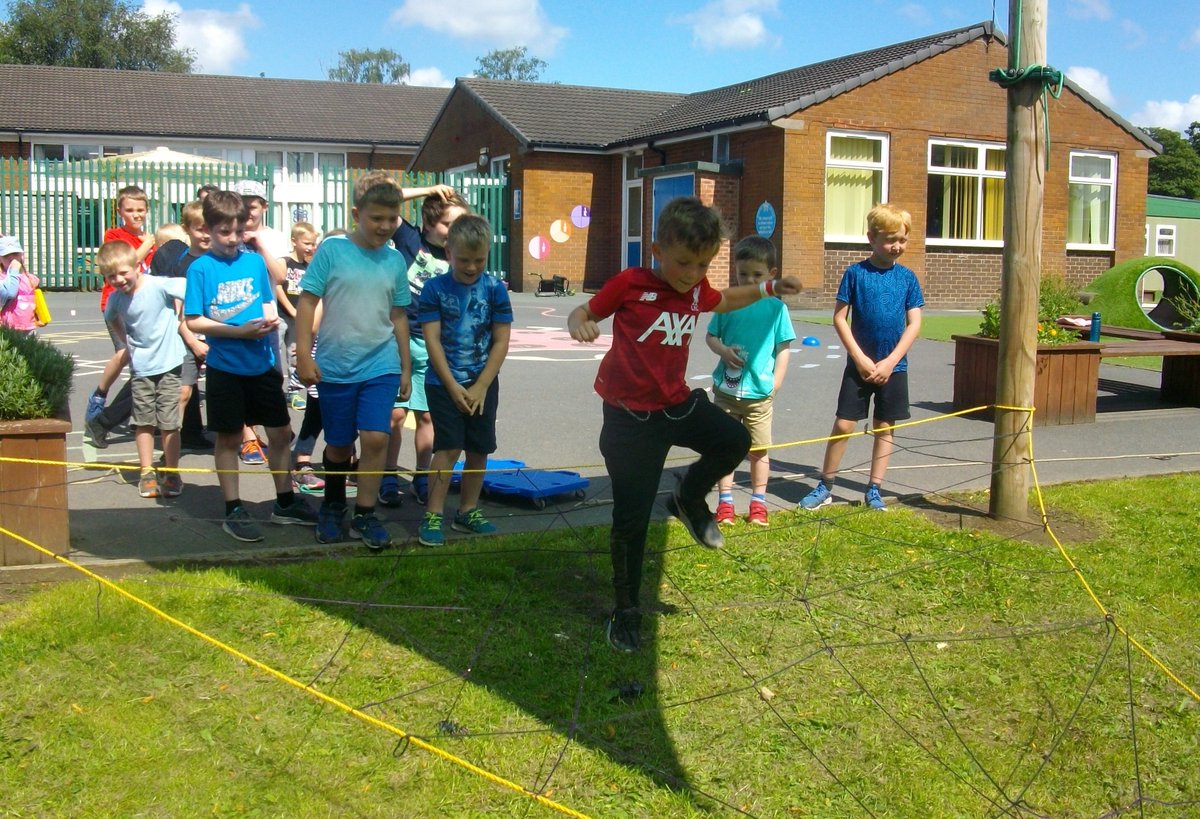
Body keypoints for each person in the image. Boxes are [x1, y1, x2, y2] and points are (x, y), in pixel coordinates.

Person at [567, 196, 801, 653]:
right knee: (631, 521)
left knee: (734, 438)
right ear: (656, 249)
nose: (691, 274)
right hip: (629, 419)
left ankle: (688, 498)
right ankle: (626, 610)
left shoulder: (696, 289)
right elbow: (586, 311)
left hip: (675, 404)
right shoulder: (630, 284)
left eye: (701, 264)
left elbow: (727, 297)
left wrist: (769, 289)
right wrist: (580, 324)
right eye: (682, 263)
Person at [183, 190, 318, 542]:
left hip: (262, 363)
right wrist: (235, 332)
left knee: (279, 432)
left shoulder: (254, 261)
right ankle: (233, 508)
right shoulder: (200, 268)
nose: (232, 239)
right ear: (208, 230)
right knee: (228, 437)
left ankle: (285, 502)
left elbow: (267, 300)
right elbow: (194, 320)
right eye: (223, 232)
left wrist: (269, 322)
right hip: (225, 367)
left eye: (238, 231)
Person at [294, 172, 413, 550]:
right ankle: (332, 506)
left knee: (377, 437)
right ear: (356, 214)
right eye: (376, 218)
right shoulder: (332, 250)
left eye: (392, 219)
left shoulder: (395, 261)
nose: (384, 226)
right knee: (340, 445)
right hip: (336, 365)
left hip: (381, 363)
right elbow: (307, 302)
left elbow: (398, 315)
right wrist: (301, 354)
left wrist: (406, 365)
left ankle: (365, 512)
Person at [798, 203, 924, 513]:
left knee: (885, 427)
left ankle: (874, 489)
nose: (897, 246)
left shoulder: (907, 278)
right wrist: (860, 358)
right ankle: (826, 485)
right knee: (844, 424)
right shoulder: (855, 274)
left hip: (894, 368)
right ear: (871, 237)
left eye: (903, 240)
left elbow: (915, 323)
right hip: (859, 367)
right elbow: (840, 318)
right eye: (889, 239)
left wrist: (891, 361)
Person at [415, 214, 512, 547]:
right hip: (444, 384)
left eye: (480, 260)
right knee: (448, 446)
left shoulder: (496, 289)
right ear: (448, 252)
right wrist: (453, 385)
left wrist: (482, 384)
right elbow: (432, 341)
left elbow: (501, 340)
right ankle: (434, 513)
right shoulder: (434, 289)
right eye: (464, 260)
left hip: (483, 383)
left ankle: (468, 510)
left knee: (479, 448)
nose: (472, 267)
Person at [381, 184, 468, 507]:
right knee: (393, 415)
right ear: (430, 223)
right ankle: (387, 476)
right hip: (398, 340)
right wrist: (430, 190)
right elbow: (384, 196)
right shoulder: (410, 240)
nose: (453, 232)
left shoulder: (457, 256)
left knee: (428, 417)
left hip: (433, 346)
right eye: (447, 224)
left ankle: (421, 476)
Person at [706, 235, 795, 527]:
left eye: (756, 275)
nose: (748, 280)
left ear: (771, 275)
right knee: (725, 450)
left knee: (759, 450)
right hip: (725, 393)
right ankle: (725, 503)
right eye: (743, 274)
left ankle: (758, 503)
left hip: (760, 396)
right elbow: (711, 336)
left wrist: (776, 383)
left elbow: (783, 348)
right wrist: (723, 350)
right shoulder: (727, 302)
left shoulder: (776, 309)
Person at [97, 240, 187, 499]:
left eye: (123, 272)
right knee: (143, 422)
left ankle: (171, 471)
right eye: (111, 276)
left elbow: (190, 288)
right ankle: (147, 471)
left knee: (169, 423)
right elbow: (111, 317)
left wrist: (183, 320)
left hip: (169, 364)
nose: (119, 279)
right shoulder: (116, 299)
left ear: (138, 266)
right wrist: (125, 341)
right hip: (141, 368)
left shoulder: (158, 285)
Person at [85, 185, 156, 446]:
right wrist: (146, 245)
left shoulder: (150, 239)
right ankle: (100, 400)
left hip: (143, 308)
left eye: (140, 210)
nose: (136, 215)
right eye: (130, 210)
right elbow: (122, 266)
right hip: (117, 306)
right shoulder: (115, 235)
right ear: (120, 211)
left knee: (141, 363)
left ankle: (144, 417)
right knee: (128, 356)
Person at [149, 203, 213, 452]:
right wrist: (194, 341)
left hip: (219, 335)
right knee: (183, 393)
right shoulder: (181, 265)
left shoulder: (221, 260)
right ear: (187, 230)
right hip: (188, 336)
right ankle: (169, 452)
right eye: (200, 229)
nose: (206, 234)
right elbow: (177, 312)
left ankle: (245, 439)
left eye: (210, 228)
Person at [276, 221, 317, 410]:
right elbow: (277, 287)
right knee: (275, 353)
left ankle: (293, 391)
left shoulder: (309, 266)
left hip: (299, 320)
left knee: (295, 352)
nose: (311, 247)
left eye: (313, 243)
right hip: (282, 316)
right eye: (307, 243)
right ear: (294, 241)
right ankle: (274, 390)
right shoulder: (284, 262)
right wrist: (291, 310)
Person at [0, 235, 40, 335]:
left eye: (15, 254)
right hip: (8, 327)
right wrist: (13, 270)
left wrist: (39, 315)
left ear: (21, 256)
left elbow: (34, 298)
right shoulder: (3, 278)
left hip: (28, 326)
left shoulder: (28, 278)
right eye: (6, 255)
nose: (11, 258)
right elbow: (11, 293)